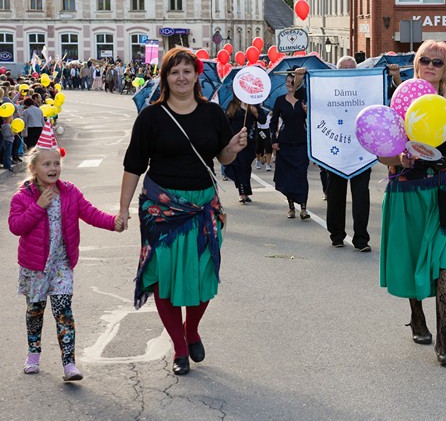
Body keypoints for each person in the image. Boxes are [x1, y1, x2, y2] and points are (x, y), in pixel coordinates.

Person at [117, 47, 248, 375]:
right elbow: (133, 165)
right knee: (163, 279)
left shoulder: (213, 114)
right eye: (174, 71)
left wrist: (231, 149)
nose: (181, 77)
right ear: (165, 77)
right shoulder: (151, 117)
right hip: (161, 210)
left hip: (203, 207)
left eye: (187, 71)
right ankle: (178, 347)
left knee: (203, 274)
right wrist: (123, 210)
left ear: (196, 75)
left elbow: (223, 159)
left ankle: (192, 329)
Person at [378, 40, 446, 367]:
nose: (431, 66)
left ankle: (444, 338)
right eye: (425, 60)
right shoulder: (402, 100)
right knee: (411, 258)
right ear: (417, 63)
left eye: (438, 62)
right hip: (410, 189)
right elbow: (383, 153)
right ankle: (416, 315)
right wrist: (401, 159)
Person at [8, 139, 124, 381]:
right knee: (35, 310)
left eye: (57, 163)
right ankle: (33, 353)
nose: (53, 168)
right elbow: (16, 227)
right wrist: (38, 206)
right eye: (47, 164)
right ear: (34, 169)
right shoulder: (23, 197)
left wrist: (113, 223)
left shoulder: (70, 191)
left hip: (61, 265)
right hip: (34, 267)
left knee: (64, 312)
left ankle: (69, 364)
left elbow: (90, 213)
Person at [324, 56, 372, 252]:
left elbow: (384, 95)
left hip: (361, 151)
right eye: (345, 68)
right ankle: (337, 235)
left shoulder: (366, 89)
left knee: (361, 196)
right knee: (336, 195)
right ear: (337, 70)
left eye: (353, 68)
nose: (349, 71)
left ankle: (361, 239)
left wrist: (394, 77)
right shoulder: (329, 89)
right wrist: (301, 80)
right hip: (336, 151)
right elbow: (310, 99)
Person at [270, 68, 310, 220]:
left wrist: (307, 111)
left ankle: (304, 208)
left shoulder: (305, 99)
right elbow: (273, 123)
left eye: (293, 81)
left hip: (301, 142)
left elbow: (315, 120)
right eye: (288, 82)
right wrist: (273, 141)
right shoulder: (280, 100)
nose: (290, 84)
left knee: (301, 175)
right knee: (287, 176)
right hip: (284, 143)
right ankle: (291, 207)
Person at [224, 97, 265, 203]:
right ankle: (242, 192)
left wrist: (256, 113)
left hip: (250, 142)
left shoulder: (254, 105)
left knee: (246, 167)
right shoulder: (232, 105)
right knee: (238, 166)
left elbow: (262, 119)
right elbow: (226, 122)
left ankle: (246, 191)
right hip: (236, 142)